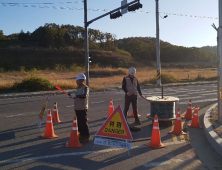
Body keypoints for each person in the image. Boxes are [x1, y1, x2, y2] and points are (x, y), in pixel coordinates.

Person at [68, 73, 90, 143]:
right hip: (77, 107)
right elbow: (77, 96)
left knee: (83, 122)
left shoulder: (85, 88)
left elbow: (84, 96)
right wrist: (72, 96)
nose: (76, 82)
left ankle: (86, 136)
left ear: (81, 80)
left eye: (77, 80)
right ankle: (81, 134)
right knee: (79, 123)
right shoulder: (79, 88)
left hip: (82, 108)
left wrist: (76, 96)